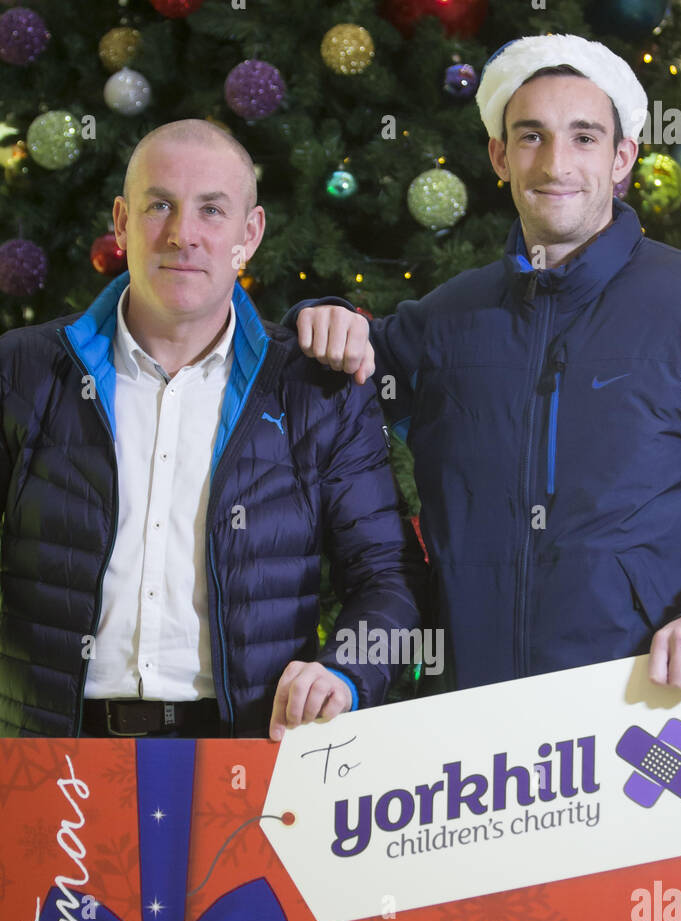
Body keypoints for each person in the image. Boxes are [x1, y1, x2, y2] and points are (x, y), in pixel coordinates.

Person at [295, 33, 681, 738]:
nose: (556, 164)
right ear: (499, 156)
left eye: (584, 137)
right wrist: (317, 314)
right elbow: (322, 363)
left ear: (622, 159)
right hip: (483, 744)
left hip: (655, 726)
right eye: (531, 136)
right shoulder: (447, 320)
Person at [0, 119, 422, 739]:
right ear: (121, 222)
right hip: (49, 758)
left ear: (248, 235)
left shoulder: (317, 390)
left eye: (212, 211)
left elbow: (390, 578)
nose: (182, 235)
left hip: (249, 752)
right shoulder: (23, 368)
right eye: (159, 206)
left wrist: (348, 672)